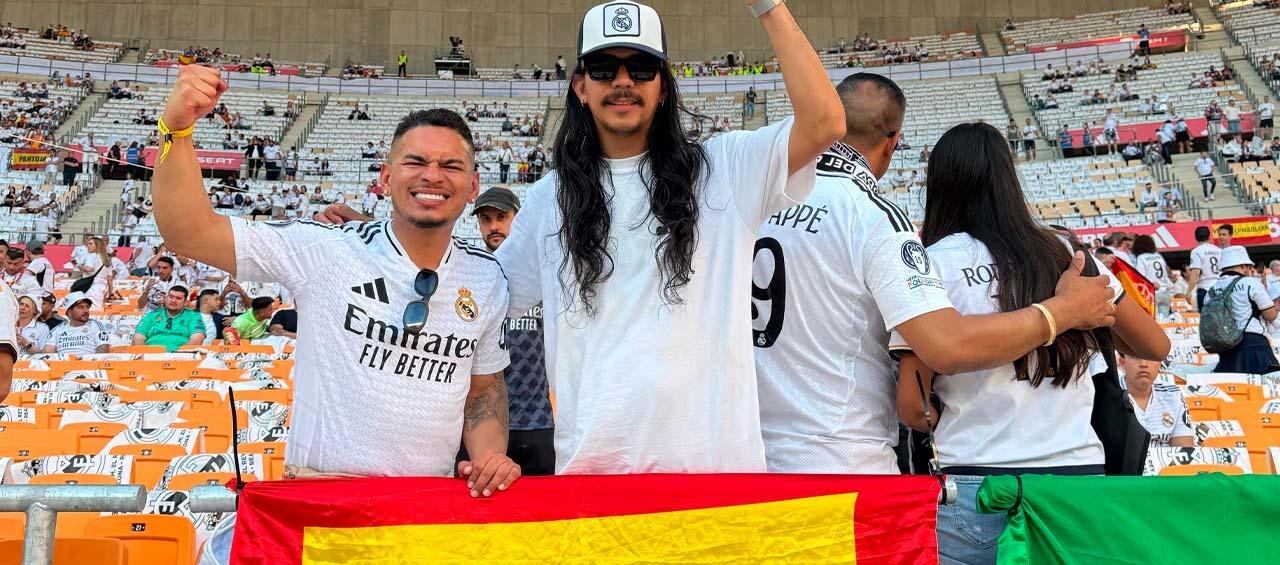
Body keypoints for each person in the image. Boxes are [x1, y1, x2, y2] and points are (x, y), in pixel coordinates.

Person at [318, 0, 843, 475]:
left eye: (640, 68)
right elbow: (475, 294)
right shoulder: (549, 199)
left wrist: (767, 5)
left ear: (663, 85)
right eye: (603, 68)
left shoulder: (725, 169)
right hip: (593, 484)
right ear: (579, 85)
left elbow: (824, 122)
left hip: (717, 478)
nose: (622, 82)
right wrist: (378, 242)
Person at [152, 61, 520, 505]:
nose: (433, 175)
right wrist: (176, 130)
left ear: (473, 185)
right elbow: (188, 231)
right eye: (416, 161)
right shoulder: (325, 249)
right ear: (385, 178)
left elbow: (484, 389)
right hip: (322, 496)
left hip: (428, 501)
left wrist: (489, 458)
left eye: (451, 165)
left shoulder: (486, 276)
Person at [752, 74, 1118, 475]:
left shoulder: (755, 204)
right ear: (892, 142)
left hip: (750, 451)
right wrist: (1061, 311)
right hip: (842, 456)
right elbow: (947, 347)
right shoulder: (873, 215)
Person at [893, 123, 1169, 565]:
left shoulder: (929, 264)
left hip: (977, 479)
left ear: (940, 184)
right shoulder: (1068, 254)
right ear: (1009, 178)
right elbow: (1154, 344)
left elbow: (912, 406)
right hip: (1077, 480)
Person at [471, 186, 554, 475]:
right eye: (485, 219)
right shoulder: (470, 281)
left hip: (537, 422)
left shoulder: (544, 278)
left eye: (501, 217)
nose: (494, 226)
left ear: (518, 219)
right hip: (479, 425)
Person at [1205, 246, 1279, 373]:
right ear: (1243, 266)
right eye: (1249, 267)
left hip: (1226, 349)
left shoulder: (1211, 291)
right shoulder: (1251, 283)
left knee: (1234, 389)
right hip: (1254, 345)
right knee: (1269, 389)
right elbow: (1271, 315)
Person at [1120, 353, 1193, 447]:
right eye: (1136, 356)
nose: (1144, 364)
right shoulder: (1106, 395)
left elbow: (1184, 450)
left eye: (1150, 357)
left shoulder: (1174, 396)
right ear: (1122, 362)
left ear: (1159, 363)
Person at [132, 285, 205, 351]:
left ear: (185, 302)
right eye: (171, 297)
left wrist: (179, 355)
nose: (173, 301)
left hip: (182, 357)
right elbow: (138, 338)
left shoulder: (194, 316)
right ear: (166, 299)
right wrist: (144, 355)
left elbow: (197, 339)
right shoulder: (151, 316)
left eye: (178, 298)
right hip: (150, 355)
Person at [42, 292, 109, 355]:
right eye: (81, 307)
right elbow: (47, 353)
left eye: (87, 307)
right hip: (63, 365)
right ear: (70, 312)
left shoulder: (96, 326)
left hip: (89, 365)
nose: (86, 311)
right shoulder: (57, 330)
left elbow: (103, 349)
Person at [1133, 235, 1172, 313]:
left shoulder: (1141, 257)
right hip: (1165, 291)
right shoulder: (1158, 256)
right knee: (1165, 320)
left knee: (1155, 320)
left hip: (1152, 292)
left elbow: (1140, 276)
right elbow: (1167, 272)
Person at [1187, 226, 1222, 310]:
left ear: (1196, 237)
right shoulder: (1219, 250)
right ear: (1209, 236)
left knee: (1206, 320)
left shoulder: (1196, 251)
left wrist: (1189, 291)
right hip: (1220, 288)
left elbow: (1195, 272)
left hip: (1205, 289)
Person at [14, 294, 49, 359]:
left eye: (27, 306)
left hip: (31, 365)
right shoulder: (9, 325)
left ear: (35, 311)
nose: (22, 308)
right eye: (21, 304)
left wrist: (26, 343)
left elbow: (43, 354)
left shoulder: (42, 328)